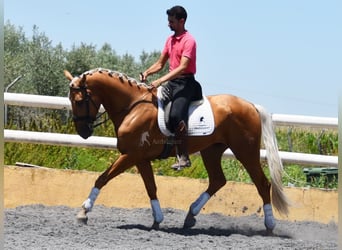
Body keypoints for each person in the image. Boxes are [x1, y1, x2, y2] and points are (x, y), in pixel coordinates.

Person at [140, 5, 203, 170]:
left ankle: (183, 157)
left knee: (176, 115)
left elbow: (183, 67)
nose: (169, 24)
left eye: (172, 21)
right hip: (172, 83)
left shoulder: (189, 40)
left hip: (186, 83)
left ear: (181, 21)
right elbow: (160, 63)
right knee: (150, 105)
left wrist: (160, 81)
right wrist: (147, 72)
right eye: (168, 21)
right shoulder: (170, 40)